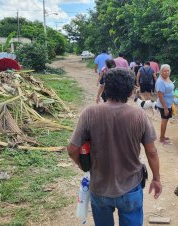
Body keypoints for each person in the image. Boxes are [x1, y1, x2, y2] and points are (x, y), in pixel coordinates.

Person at [67, 68, 162, 226]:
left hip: (100, 187)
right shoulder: (139, 115)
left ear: (105, 89)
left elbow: (72, 149)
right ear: (131, 91)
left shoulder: (89, 113)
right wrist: (157, 179)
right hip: (131, 187)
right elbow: (151, 152)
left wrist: (84, 166)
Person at [155, 64, 174, 145]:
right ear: (161, 72)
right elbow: (160, 95)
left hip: (168, 104)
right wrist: (165, 108)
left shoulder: (167, 78)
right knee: (164, 121)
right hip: (164, 105)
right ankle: (161, 139)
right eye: (164, 71)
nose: (167, 72)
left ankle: (163, 136)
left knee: (165, 121)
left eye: (168, 71)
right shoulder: (160, 82)